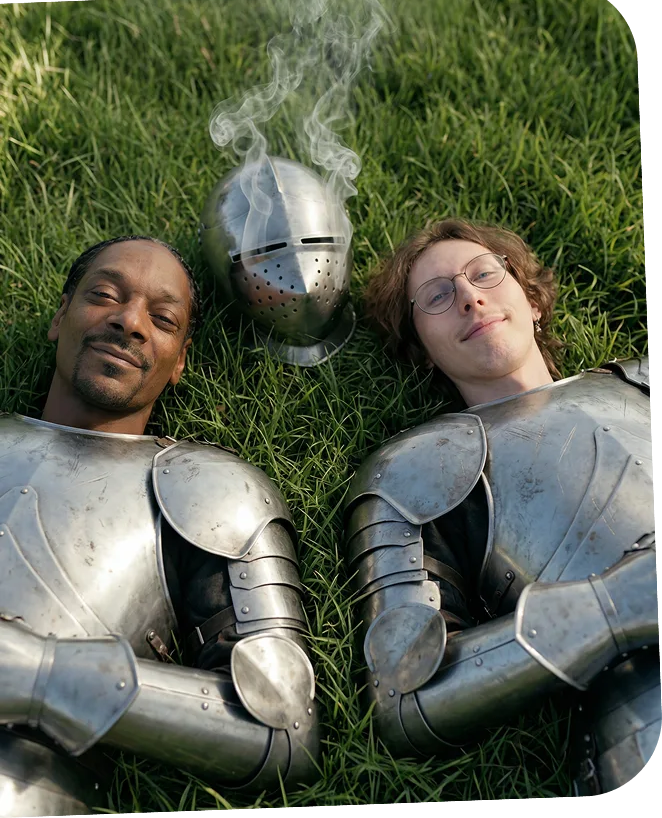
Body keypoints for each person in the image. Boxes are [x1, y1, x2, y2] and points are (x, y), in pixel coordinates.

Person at [0, 235, 319, 818]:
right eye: (104, 295)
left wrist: (37, 675)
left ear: (180, 361)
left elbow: (283, 724)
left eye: (163, 319)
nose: (129, 322)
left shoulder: (211, 492)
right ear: (59, 317)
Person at [342, 218, 656, 797]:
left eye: (484, 273)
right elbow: (403, 694)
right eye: (436, 296)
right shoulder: (416, 470)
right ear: (422, 350)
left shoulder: (646, 380)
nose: (469, 296)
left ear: (532, 300)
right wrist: (617, 606)